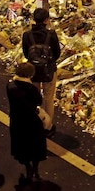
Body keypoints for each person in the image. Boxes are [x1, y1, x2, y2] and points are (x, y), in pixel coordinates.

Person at [21, 8, 61, 136]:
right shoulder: (51, 34)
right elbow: (57, 53)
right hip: (48, 70)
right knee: (48, 98)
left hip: (33, 71)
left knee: (35, 97)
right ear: (46, 20)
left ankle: (35, 123)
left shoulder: (27, 35)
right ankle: (47, 127)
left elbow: (26, 53)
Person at [6, 62, 47, 180]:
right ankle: (35, 169)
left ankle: (28, 167)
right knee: (35, 147)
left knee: (22, 146)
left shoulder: (10, 86)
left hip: (17, 121)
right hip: (32, 121)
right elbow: (39, 101)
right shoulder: (31, 89)